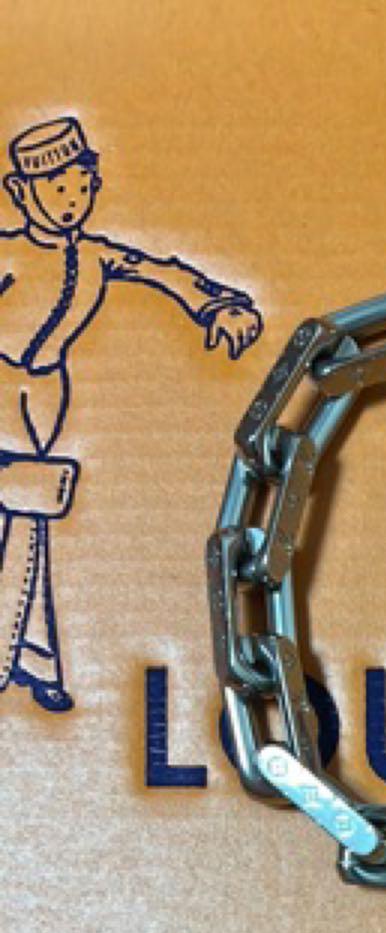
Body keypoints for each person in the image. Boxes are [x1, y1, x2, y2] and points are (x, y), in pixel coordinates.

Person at [0, 116, 262, 711]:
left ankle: (32, 657)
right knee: (14, 520)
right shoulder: (10, 251)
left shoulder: (93, 257)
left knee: (33, 526)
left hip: (46, 397)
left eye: (79, 184)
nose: (70, 200)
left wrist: (218, 305)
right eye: (54, 188)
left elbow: (162, 271)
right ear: (21, 193)